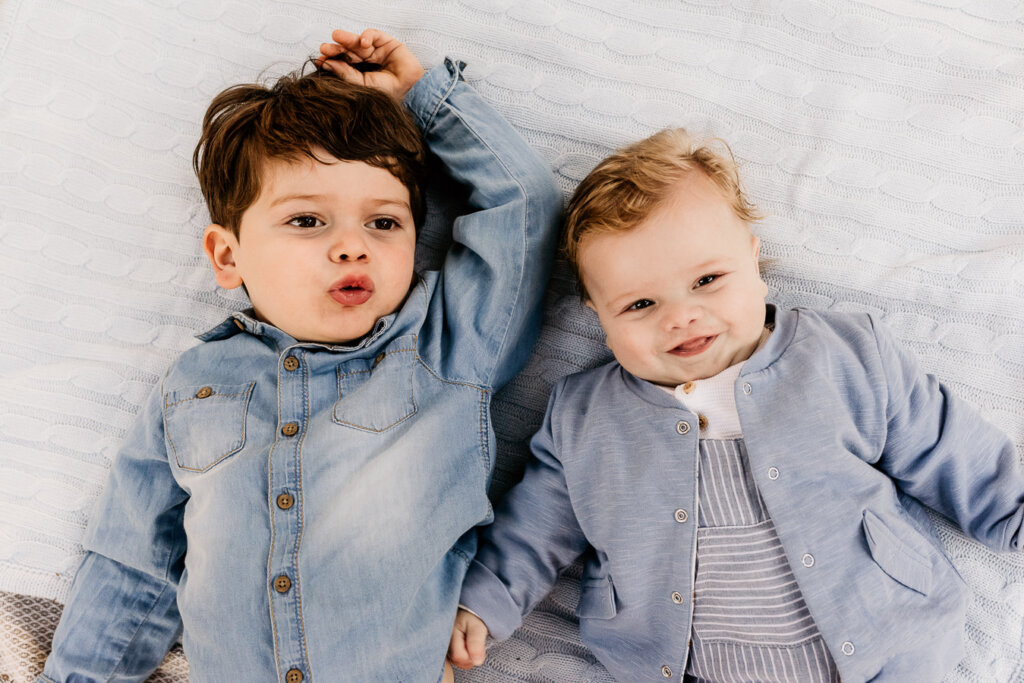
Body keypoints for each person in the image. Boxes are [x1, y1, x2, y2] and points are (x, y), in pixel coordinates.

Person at [37, 28, 561, 683]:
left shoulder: (448, 343)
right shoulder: (193, 385)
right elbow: (132, 561)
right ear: (228, 256)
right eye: (308, 221)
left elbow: (527, 210)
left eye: (384, 222)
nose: (352, 246)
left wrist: (423, 97)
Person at [447, 128, 1024, 682]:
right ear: (598, 318)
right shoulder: (584, 418)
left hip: (886, 640)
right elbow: (535, 529)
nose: (680, 316)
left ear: (754, 261)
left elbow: (950, 449)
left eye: (707, 280)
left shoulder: (843, 356)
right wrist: (481, 604)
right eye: (640, 303)